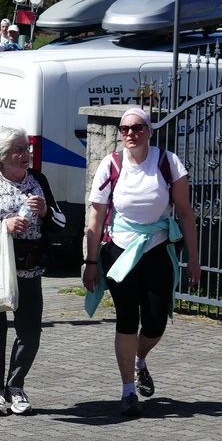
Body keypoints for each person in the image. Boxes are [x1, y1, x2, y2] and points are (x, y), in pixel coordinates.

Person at [83, 108, 200, 417]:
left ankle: (140, 360)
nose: (129, 134)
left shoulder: (167, 162)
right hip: (119, 252)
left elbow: (185, 212)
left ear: (149, 131)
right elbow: (95, 216)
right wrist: (91, 261)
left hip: (157, 250)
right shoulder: (111, 165)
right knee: (126, 317)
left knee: (156, 321)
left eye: (136, 128)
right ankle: (127, 391)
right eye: (124, 129)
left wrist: (194, 259)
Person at [0, 127, 66, 416]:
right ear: (2, 157)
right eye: (19, 150)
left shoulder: (39, 181)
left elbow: (62, 222)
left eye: (27, 148)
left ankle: (16, 386)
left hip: (29, 269)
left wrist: (45, 212)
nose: (26, 155)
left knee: (30, 332)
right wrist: (1, 226)